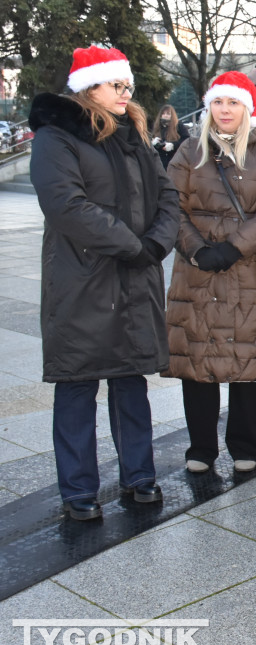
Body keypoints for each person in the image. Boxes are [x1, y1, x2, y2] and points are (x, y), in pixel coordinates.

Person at [29, 45, 178, 520]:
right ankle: (78, 491)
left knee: (130, 380)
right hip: (82, 280)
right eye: (117, 84)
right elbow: (67, 205)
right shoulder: (56, 136)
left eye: (127, 85)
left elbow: (167, 196)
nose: (125, 92)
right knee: (77, 382)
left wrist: (155, 245)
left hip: (135, 277)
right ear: (88, 86)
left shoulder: (133, 133)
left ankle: (140, 476)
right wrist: (134, 247)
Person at [165, 71, 256, 474]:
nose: (224, 109)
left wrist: (234, 247)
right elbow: (170, 204)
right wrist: (197, 249)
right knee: (197, 358)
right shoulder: (190, 149)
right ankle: (200, 448)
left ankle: (246, 445)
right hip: (197, 270)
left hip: (247, 269)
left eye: (233, 102)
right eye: (218, 102)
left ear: (248, 108)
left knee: (246, 359)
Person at [150, 103, 189, 169]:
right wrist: (153, 143)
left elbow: (186, 139)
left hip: (175, 161)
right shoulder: (157, 126)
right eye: (163, 113)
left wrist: (173, 145)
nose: (165, 115)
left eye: (168, 114)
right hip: (160, 162)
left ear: (172, 115)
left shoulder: (178, 125)